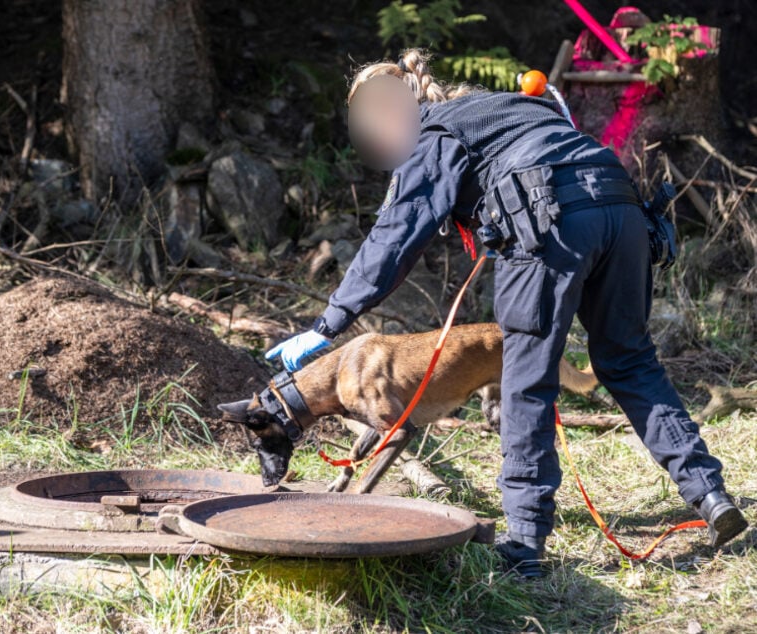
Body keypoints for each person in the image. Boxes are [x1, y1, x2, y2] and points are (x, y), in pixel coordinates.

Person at [265, 48, 748, 577]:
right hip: (623, 209)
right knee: (629, 361)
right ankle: (710, 495)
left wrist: (327, 324)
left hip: (550, 218)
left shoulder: (433, 134)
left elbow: (394, 237)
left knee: (525, 377)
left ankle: (525, 542)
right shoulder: (505, 107)